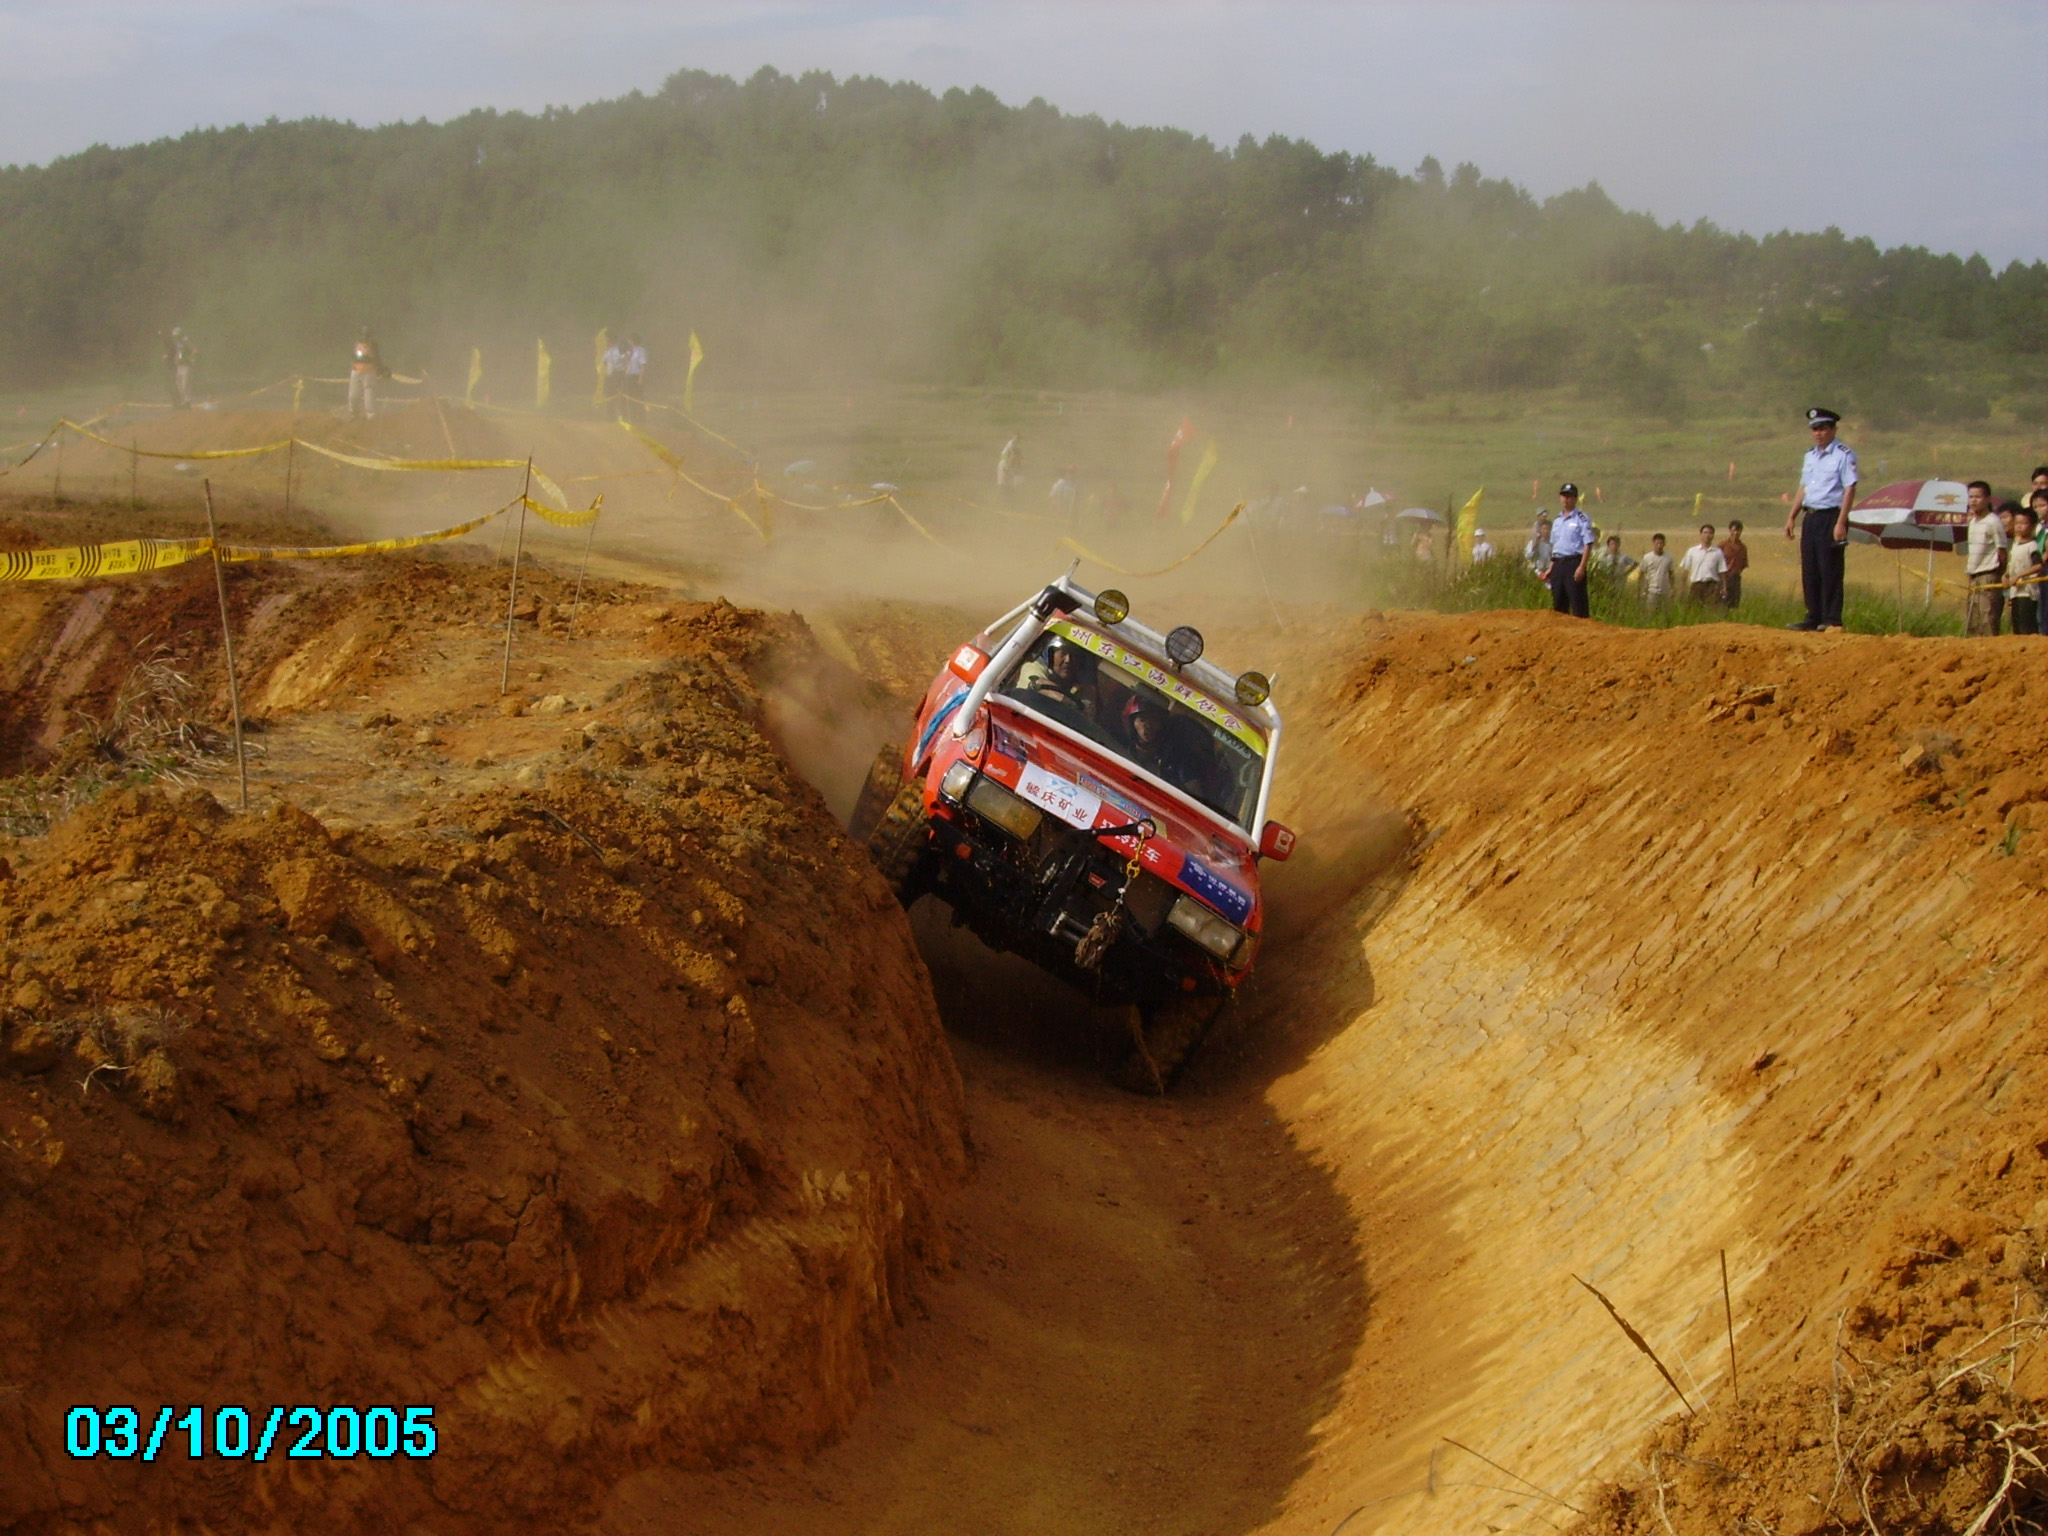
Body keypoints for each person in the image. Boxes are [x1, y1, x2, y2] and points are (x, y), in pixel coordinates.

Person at [1784, 406, 1857, 630]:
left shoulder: (1843, 454)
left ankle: (1831, 618)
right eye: (1815, 429)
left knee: (1830, 568)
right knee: (1810, 568)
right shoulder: (1810, 456)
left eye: (1823, 428)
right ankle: (1813, 616)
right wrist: (1791, 517)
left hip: (1831, 516)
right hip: (1811, 516)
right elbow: (1803, 487)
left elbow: (1850, 487)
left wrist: (1841, 521)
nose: (1818, 433)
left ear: (1833, 429)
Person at [1121, 694, 1208, 798]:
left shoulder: (1177, 758)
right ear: (1132, 723)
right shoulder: (1118, 747)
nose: (1148, 726)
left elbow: (1196, 795)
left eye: (1154, 720)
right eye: (1142, 719)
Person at [1014, 637, 1099, 719]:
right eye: (1063, 653)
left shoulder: (1083, 689)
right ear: (1051, 654)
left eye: (1074, 655)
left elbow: (1087, 714)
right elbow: (1037, 684)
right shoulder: (1032, 667)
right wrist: (1071, 704)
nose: (1068, 660)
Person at [1541, 483, 1593, 617]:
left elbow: (1588, 544)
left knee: (1577, 603)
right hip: (1558, 564)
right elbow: (1555, 547)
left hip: (1573, 562)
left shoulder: (1582, 519)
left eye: (1569, 496)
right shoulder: (1557, 521)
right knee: (1558, 603)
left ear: (1575, 499)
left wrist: (1582, 567)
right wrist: (1550, 568)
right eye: (1563, 496)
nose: (1566, 499)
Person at [1964, 481, 2005, 636]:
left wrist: (2000, 575)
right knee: (1973, 620)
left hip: (1989, 574)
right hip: (1973, 575)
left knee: (1987, 619)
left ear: (1988, 499)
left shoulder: (1993, 521)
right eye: (1970, 497)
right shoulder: (1973, 522)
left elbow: (2002, 551)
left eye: (1978, 497)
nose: (1973, 500)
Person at [2008, 505, 2041, 635]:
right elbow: (2012, 565)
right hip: (2015, 591)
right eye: (2017, 523)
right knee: (2016, 623)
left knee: (2027, 625)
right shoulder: (2015, 545)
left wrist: (2019, 576)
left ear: (2032, 526)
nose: (2019, 526)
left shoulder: (2032, 546)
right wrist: (2006, 576)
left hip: (2028, 592)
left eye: (2024, 523)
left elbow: (2038, 565)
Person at [1679, 524, 1727, 607]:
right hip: (1697, 585)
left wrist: (1724, 587)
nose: (1707, 535)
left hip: (1712, 586)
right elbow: (1686, 570)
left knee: (1712, 609)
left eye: (1710, 533)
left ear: (1713, 536)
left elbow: (1722, 571)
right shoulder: (1692, 551)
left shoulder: (1717, 552)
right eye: (1705, 533)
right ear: (1700, 534)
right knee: (1694, 609)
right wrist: (1682, 587)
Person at [348, 327, 387, 421]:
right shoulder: (357, 344)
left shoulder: (373, 345)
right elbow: (353, 357)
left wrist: (380, 369)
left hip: (369, 372)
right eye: (363, 334)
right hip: (356, 371)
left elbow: (377, 358)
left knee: (369, 396)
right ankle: (354, 414)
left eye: (366, 334)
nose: (364, 336)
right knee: (353, 395)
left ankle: (371, 417)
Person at [1639, 533, 1674, 621]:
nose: (1659, 546)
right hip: (1651, 590)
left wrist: (1672, 588)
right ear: (1653, 543)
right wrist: (1641, 589)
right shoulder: (1647, 557)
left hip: (1665, 590)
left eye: (1661, 543)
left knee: (1666, 614)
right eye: (1657, 543)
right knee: (1650, 614)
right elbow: (1641, 573)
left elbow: (1671, 574)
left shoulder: (1669, 557)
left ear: (1664, 544)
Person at [1718, 519, 1749, 610]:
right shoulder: (1722, 545)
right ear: (1730, 531)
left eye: (1738, 530)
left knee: (1734, 604)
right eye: (1734, 530)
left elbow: (1743, 564)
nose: (1736, 533)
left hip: (1736, 578)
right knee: (1722, 603)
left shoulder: (1742, 547)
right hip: (1724, 577)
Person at [163, 327, 194, 409]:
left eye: (177, 336)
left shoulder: (186, 342)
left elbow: (194, 350)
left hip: (186, 365)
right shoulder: (178, 344)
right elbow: (178, 353)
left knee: (185, 384)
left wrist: (189, 358)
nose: (175, 338)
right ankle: (184, 401)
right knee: (179, 384)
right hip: (179, 366)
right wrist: (175, 360)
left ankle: (188, 401)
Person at [623, 335, 647, 419]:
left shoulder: (641, 351)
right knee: (630, 397)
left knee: (638, 397)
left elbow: (643, 365)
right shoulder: (629, 351)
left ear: (633, 341)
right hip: (629, 376)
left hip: (636, 376)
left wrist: (641, 378)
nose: (629, 342)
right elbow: (626, 363)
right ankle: (633, 416)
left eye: (630, 340)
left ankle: (641, 417)